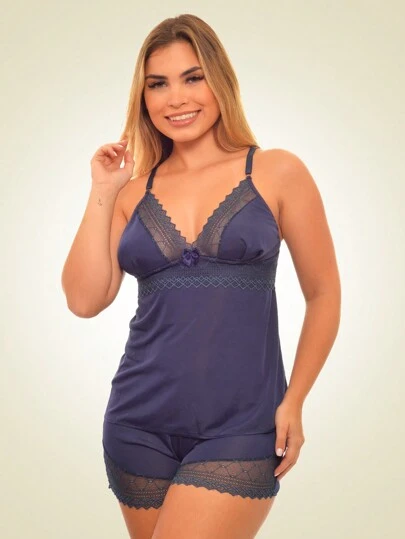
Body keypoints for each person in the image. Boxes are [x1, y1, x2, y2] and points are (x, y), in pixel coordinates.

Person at [61, 13, 341, 539]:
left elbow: (324, 294)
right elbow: (83, 299)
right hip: (137, 424)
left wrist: (296, 400)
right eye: (158, 84)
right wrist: (102, 191)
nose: (176, 98)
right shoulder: (131, 192)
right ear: (143, 97)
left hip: (242, 427)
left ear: (220, 81)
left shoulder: (277, 172)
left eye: (193, 78)